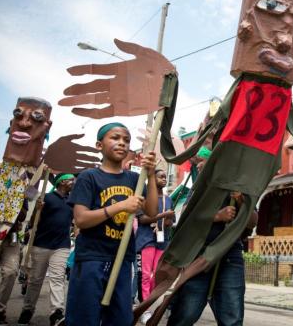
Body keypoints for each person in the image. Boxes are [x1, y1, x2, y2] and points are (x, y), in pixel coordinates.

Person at [65, 122, 158, 326]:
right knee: (84, 318)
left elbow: (152, 211)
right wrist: (121, 206)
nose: (121, 143)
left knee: (119, 319)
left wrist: (150, 175)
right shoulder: (88, 177)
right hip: (91, 259)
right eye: (115, 138)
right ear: (99, 145)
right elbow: (81, 219)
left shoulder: (135, 178)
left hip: (122, 259)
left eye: (126, 140)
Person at [167, 190, 257, 326]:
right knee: (187, 313)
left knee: (232, 317)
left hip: (230, 254)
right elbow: (186, 215)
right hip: (200, 254)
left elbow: (252, 222)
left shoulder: (243, 186)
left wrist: (241, 201)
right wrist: (216, 216)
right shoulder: (206, 182)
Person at [17, 173, 75, 326]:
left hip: (61, 246)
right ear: (61, 182)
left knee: (57, 278)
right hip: (41, 244)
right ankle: (27, 310)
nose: (72, 182)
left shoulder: (72, 201)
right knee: (36, 280)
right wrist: (38, 210)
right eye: (70, 180)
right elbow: (34, 221)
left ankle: (56, 313)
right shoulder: (46, 198)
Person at [137, 169, 175, 323]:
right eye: (161, 177)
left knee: (156, 276)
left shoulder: (169, 199)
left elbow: (171, 221)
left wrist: (167, 222)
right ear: (152, 179)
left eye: (165, 177)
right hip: (146, 240)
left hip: (162, 241)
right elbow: (142, 219)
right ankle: (143, 309)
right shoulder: (144, 197)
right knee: (145, 275)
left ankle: (150, 306)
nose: (164, 179)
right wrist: (162, 216)